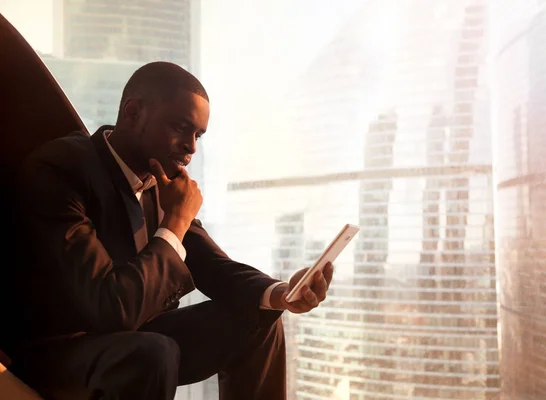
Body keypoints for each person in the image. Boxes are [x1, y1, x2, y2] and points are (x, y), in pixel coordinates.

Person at [9, 61, 334, 400]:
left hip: (132, 337)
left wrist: (283, 293)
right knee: (152, 352)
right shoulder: (60, 169)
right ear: (133, 112)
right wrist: (175, 220)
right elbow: (108, 307)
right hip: (58, 349)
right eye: (181, 128)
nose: (191, 147)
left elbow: (213, 266)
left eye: (198, 136)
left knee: (259, 319)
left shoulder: (158, 181)